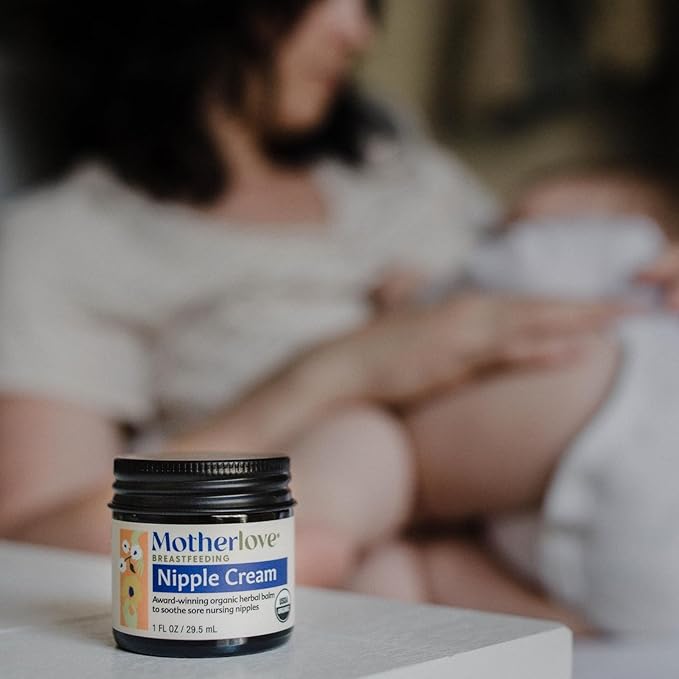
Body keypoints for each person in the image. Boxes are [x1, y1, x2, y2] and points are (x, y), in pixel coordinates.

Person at [0, 0, 672, 634]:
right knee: (375, 499)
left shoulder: (393, 161)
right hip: (430, 530)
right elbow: (33, 547)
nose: (358, 31)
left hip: (601, 484)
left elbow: (533, 249)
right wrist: (337, 373)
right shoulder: (66, 241)